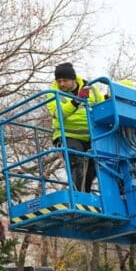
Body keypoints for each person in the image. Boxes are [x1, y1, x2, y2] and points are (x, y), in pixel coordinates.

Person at [47, 62, 103, 192]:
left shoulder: (92, 89)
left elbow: (101, 108)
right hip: (67, 135)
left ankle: (84, 194)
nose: (61, 84)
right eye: (59, 81)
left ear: (73, 79)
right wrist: (76, 101)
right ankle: (78, 197)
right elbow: (58, 114)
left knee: (95, 167)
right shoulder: (53, 93)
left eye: (65, 80)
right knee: (77, 161)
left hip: (92, 137)